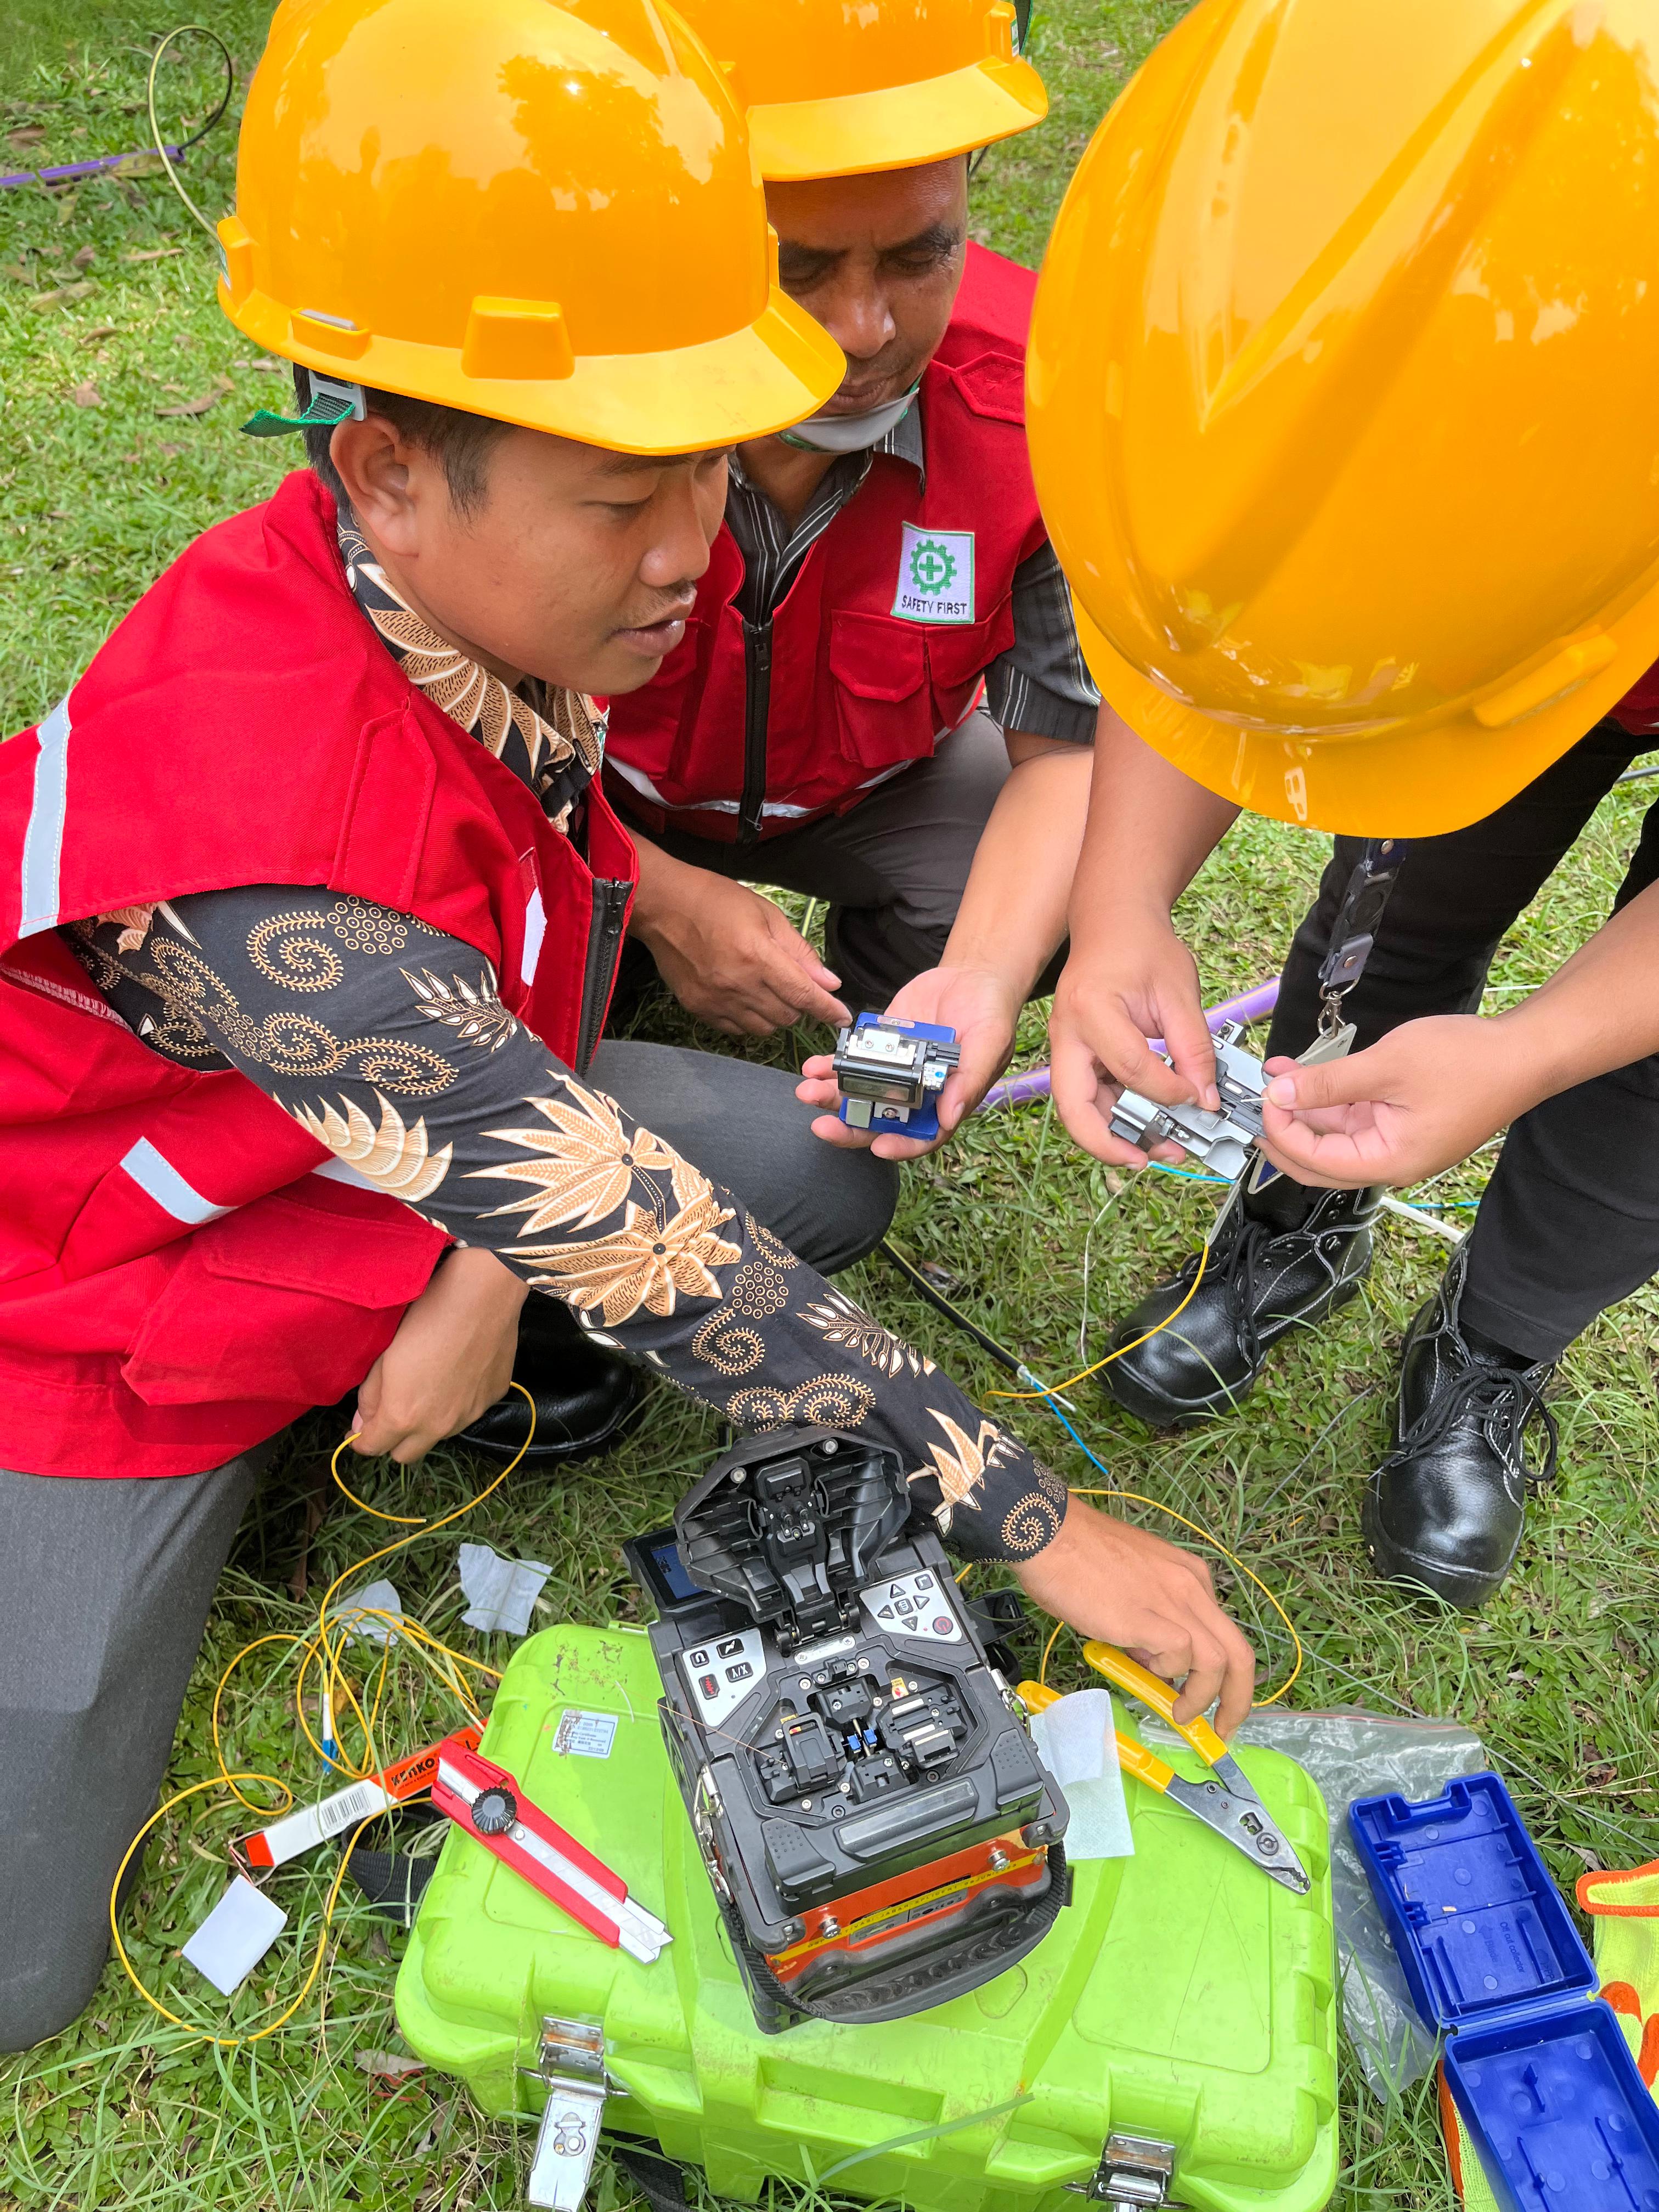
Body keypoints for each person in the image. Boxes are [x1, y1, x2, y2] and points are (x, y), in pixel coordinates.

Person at [0, 0, 1256, 2056]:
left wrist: (478, 1251)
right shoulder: (264, 846)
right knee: (16, 1965)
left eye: (699, 482)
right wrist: (1053, 1530)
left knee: (807, 1175)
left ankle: (402, 1339)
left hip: (380, 1150)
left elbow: (540, 967)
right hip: (93, 1287)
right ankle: (254, 1448)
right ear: (390, 474)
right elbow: (661, 1260)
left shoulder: (453, 605)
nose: (691, 556)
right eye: (622, 505)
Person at [1023, 0, 1659, 1608]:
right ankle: (1293, 1227)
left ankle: (1493, 1349)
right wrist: (1118, 910)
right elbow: (1213, 594)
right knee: (1394, 912)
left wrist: (1525, 1057)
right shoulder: (1312, 163)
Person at [601, 0, 1102, 1160]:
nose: (866, 330)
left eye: (923, 254)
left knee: (1033, 882)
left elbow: (1068, 756)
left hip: (866, 795)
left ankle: (875, 1043)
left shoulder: (1048, 403)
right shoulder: (573, 394)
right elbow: (447, 745)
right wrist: (666, 897)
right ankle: (608, 963)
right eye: (800, 268)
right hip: (589, 793)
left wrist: (978, 973)